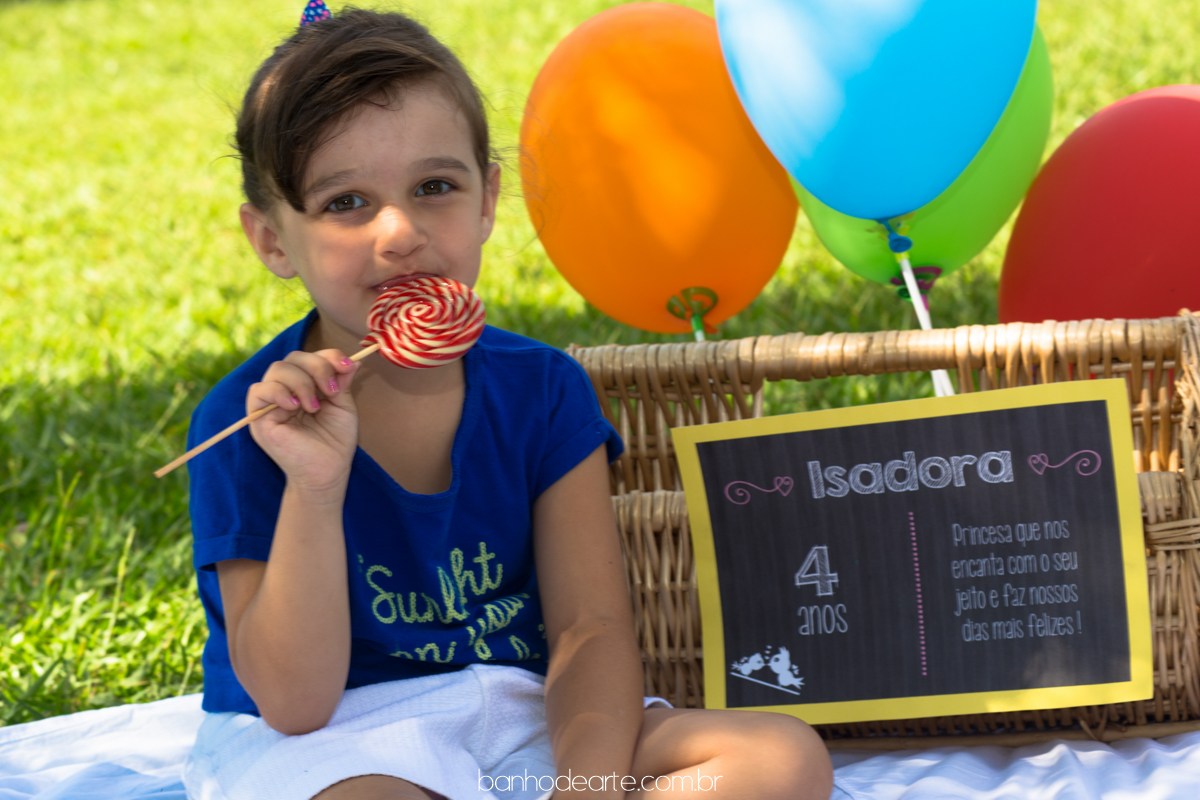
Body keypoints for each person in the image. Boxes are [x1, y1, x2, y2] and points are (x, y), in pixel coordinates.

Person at [182, 5, 834, 800]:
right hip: (336, 742)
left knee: (779, 760)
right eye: (345, 202)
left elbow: (588, 632)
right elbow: (293, 702)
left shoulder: (544, 390)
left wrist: (587, 785)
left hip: (526, 713)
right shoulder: (248, 424)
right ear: (273, 240)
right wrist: (315, 487)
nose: (399, 232)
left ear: (488, 197)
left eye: (434, 186)